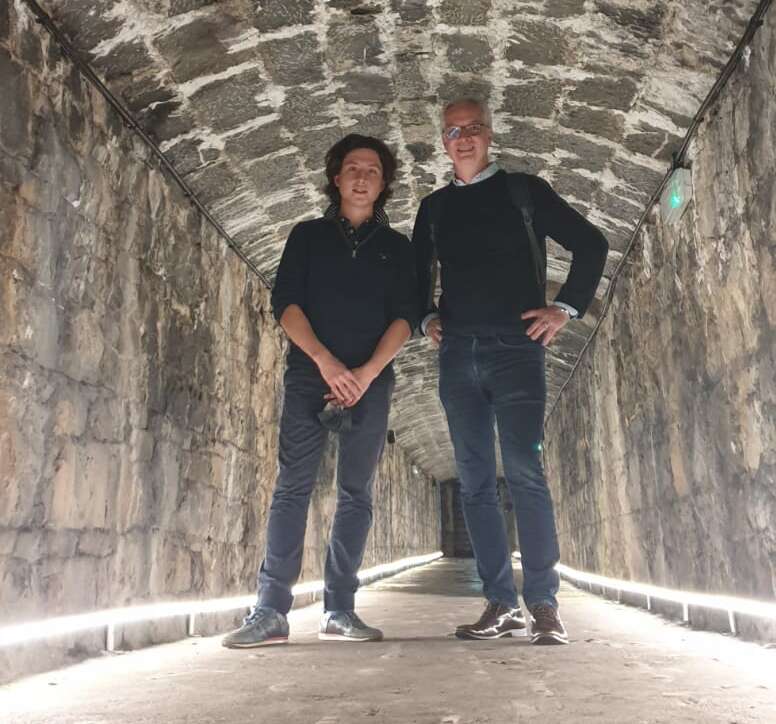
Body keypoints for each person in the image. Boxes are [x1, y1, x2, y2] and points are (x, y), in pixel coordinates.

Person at [413, 98, 609, 645]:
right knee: (474, 481)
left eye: (473, 128)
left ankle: (543, 603)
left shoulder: (524, 192)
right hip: (458, 355)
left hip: (516, 350)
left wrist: (565, 308)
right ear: (444, 142)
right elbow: (415, 273)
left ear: (489, 135)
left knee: (525, 470)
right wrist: (425, 316)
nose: (463, 138)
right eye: (453, 131)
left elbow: (591, 243)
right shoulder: (434, 208)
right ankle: (500, 603)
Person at [223, 134, 417, 648]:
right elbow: (286, 304)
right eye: (352, 168)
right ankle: (271, 610)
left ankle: (340, 609)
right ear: (336, 178)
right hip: (311, 375)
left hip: (371, 381)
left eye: (372, 171)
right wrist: (326, 363)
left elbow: (406, 317)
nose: (361, 177)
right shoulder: (307, 236)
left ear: (384, 183)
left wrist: (366, 374)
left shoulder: (399, 249)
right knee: (293, 486)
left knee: (356, 493)